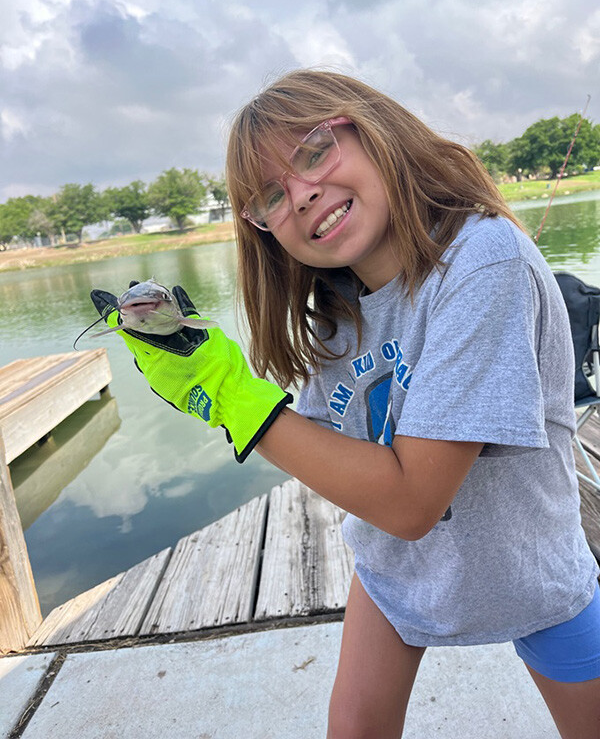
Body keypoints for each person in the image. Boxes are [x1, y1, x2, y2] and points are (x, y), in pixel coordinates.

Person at [93, 70, 600, 738]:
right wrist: (208, 366)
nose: (302, 194)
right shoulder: (335, 311)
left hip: (532, 574)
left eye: (314, 151)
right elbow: (316, 437)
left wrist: (234, 398)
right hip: (393, 574)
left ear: (371, 129)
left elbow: (412, 501)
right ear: (261, 227)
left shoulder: (485, 260)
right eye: (271, 196)